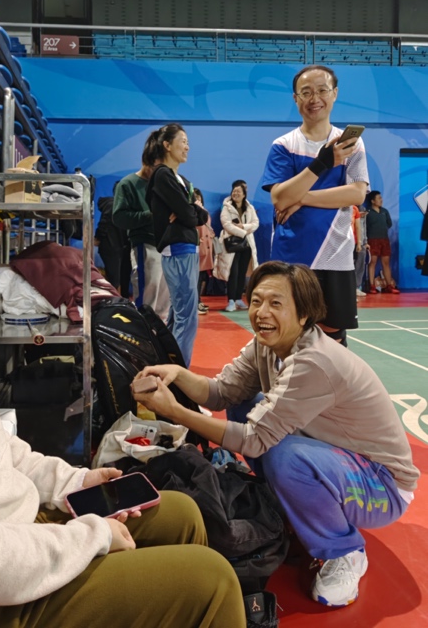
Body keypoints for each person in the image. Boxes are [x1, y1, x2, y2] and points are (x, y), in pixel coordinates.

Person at [0, 135, 246, 628]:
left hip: (2, 530)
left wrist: (74, 482)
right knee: (209, 581)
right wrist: (89, 536)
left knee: (180, 513)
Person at [133, 261, 418, 609]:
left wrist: (176, 411)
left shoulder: (315, 361)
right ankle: (295, 504)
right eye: (256, 301)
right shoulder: (267, 344)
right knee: (243, 405)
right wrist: (177, 373)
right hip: (338, 458)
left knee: (285, 458)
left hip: (382, 486)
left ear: (304, 314)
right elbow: (222, 392)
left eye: (276, 303)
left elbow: (254, 440)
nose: (261, 312)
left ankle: (344, 549)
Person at [261, 64, 369, 346]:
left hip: (335, 256)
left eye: (322, 90)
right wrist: (323, 163)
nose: (314, 98)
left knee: (332, 342)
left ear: (335, 94)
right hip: (290, 259)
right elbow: (279, 198)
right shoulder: (283, 145)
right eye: (306, 92)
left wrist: (300, 197)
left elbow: (356, 194)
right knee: (286, 338)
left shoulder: (352, 144)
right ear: (295, 98)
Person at [145, 124, 209, 366]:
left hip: (187, 249)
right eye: (183, 141)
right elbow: (190, 216)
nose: (187, 147)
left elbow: (197, 215)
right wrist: (191, 211)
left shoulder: (180, 179)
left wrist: (192, 211)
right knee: (186, 317)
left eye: (188, 142)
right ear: (167, 145)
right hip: (178, 249)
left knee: (178, 315)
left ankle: (168, 366)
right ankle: (178, 374)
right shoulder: (162, 175)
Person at [112, 135, 170, 320]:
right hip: (145, 245)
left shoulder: (164, 183)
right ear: (146, 162)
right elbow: (119, 217)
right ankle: (144, 329)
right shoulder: (128, 184)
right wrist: (150, 216)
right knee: (147, 295)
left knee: (165, 297)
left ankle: (161, 331)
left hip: (168, 246)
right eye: (155, 167)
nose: (157, 172)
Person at [215, 181, 259, 312]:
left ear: (244, 194)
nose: (236, 193)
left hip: (246, 245)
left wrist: (243, 226)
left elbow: (256, 223)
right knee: (232, 273)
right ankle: (231, 301)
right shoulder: (226, 207)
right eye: (234, 191)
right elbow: (226, 224)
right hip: (231, 245)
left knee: (242, 272)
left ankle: (239, 298)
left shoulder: (249, 208)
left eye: (238, 191)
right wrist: (243, 232)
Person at [94, 182, 129, 293]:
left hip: (119, 247)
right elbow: (103, 224)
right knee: (115, 279)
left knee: (121, 278)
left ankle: (122, 299)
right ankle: (115, 300)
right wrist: (98, 237)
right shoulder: (112, 205)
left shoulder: (123, 206)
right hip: (112, 247)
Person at [366, 190, 400, 294]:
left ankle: (389, 286)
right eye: (379, 198)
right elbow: (364, 227)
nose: (381, 200)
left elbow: (389, 224)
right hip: (372, 240)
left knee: (386, 263)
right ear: (372, 201)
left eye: (381, 198)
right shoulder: (368, 212)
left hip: (384, 240)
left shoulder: (385, 211)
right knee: (372, 263)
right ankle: (372, 286)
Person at [194, 188, 214, 314]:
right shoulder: (193, 211)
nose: (198, 199)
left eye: (199, 196)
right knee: (195, 277)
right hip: (198, 246)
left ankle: (198, 300)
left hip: (206, 247)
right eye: (195, 197)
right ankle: (195, 303)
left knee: (201, 276)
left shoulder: (204, 211)